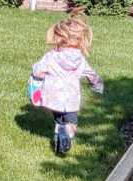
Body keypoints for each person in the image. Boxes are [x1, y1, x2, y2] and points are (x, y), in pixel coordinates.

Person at [30, 14, 104, 155]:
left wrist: (35, 84)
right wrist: (97, 84)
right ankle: (67, 135)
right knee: (71, 123)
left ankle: (59, 137)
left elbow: (38, 70)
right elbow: (91, 74)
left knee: (59, 119)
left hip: (53, 98)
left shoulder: (51, 56)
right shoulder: (80, 59)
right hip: (71, 100)